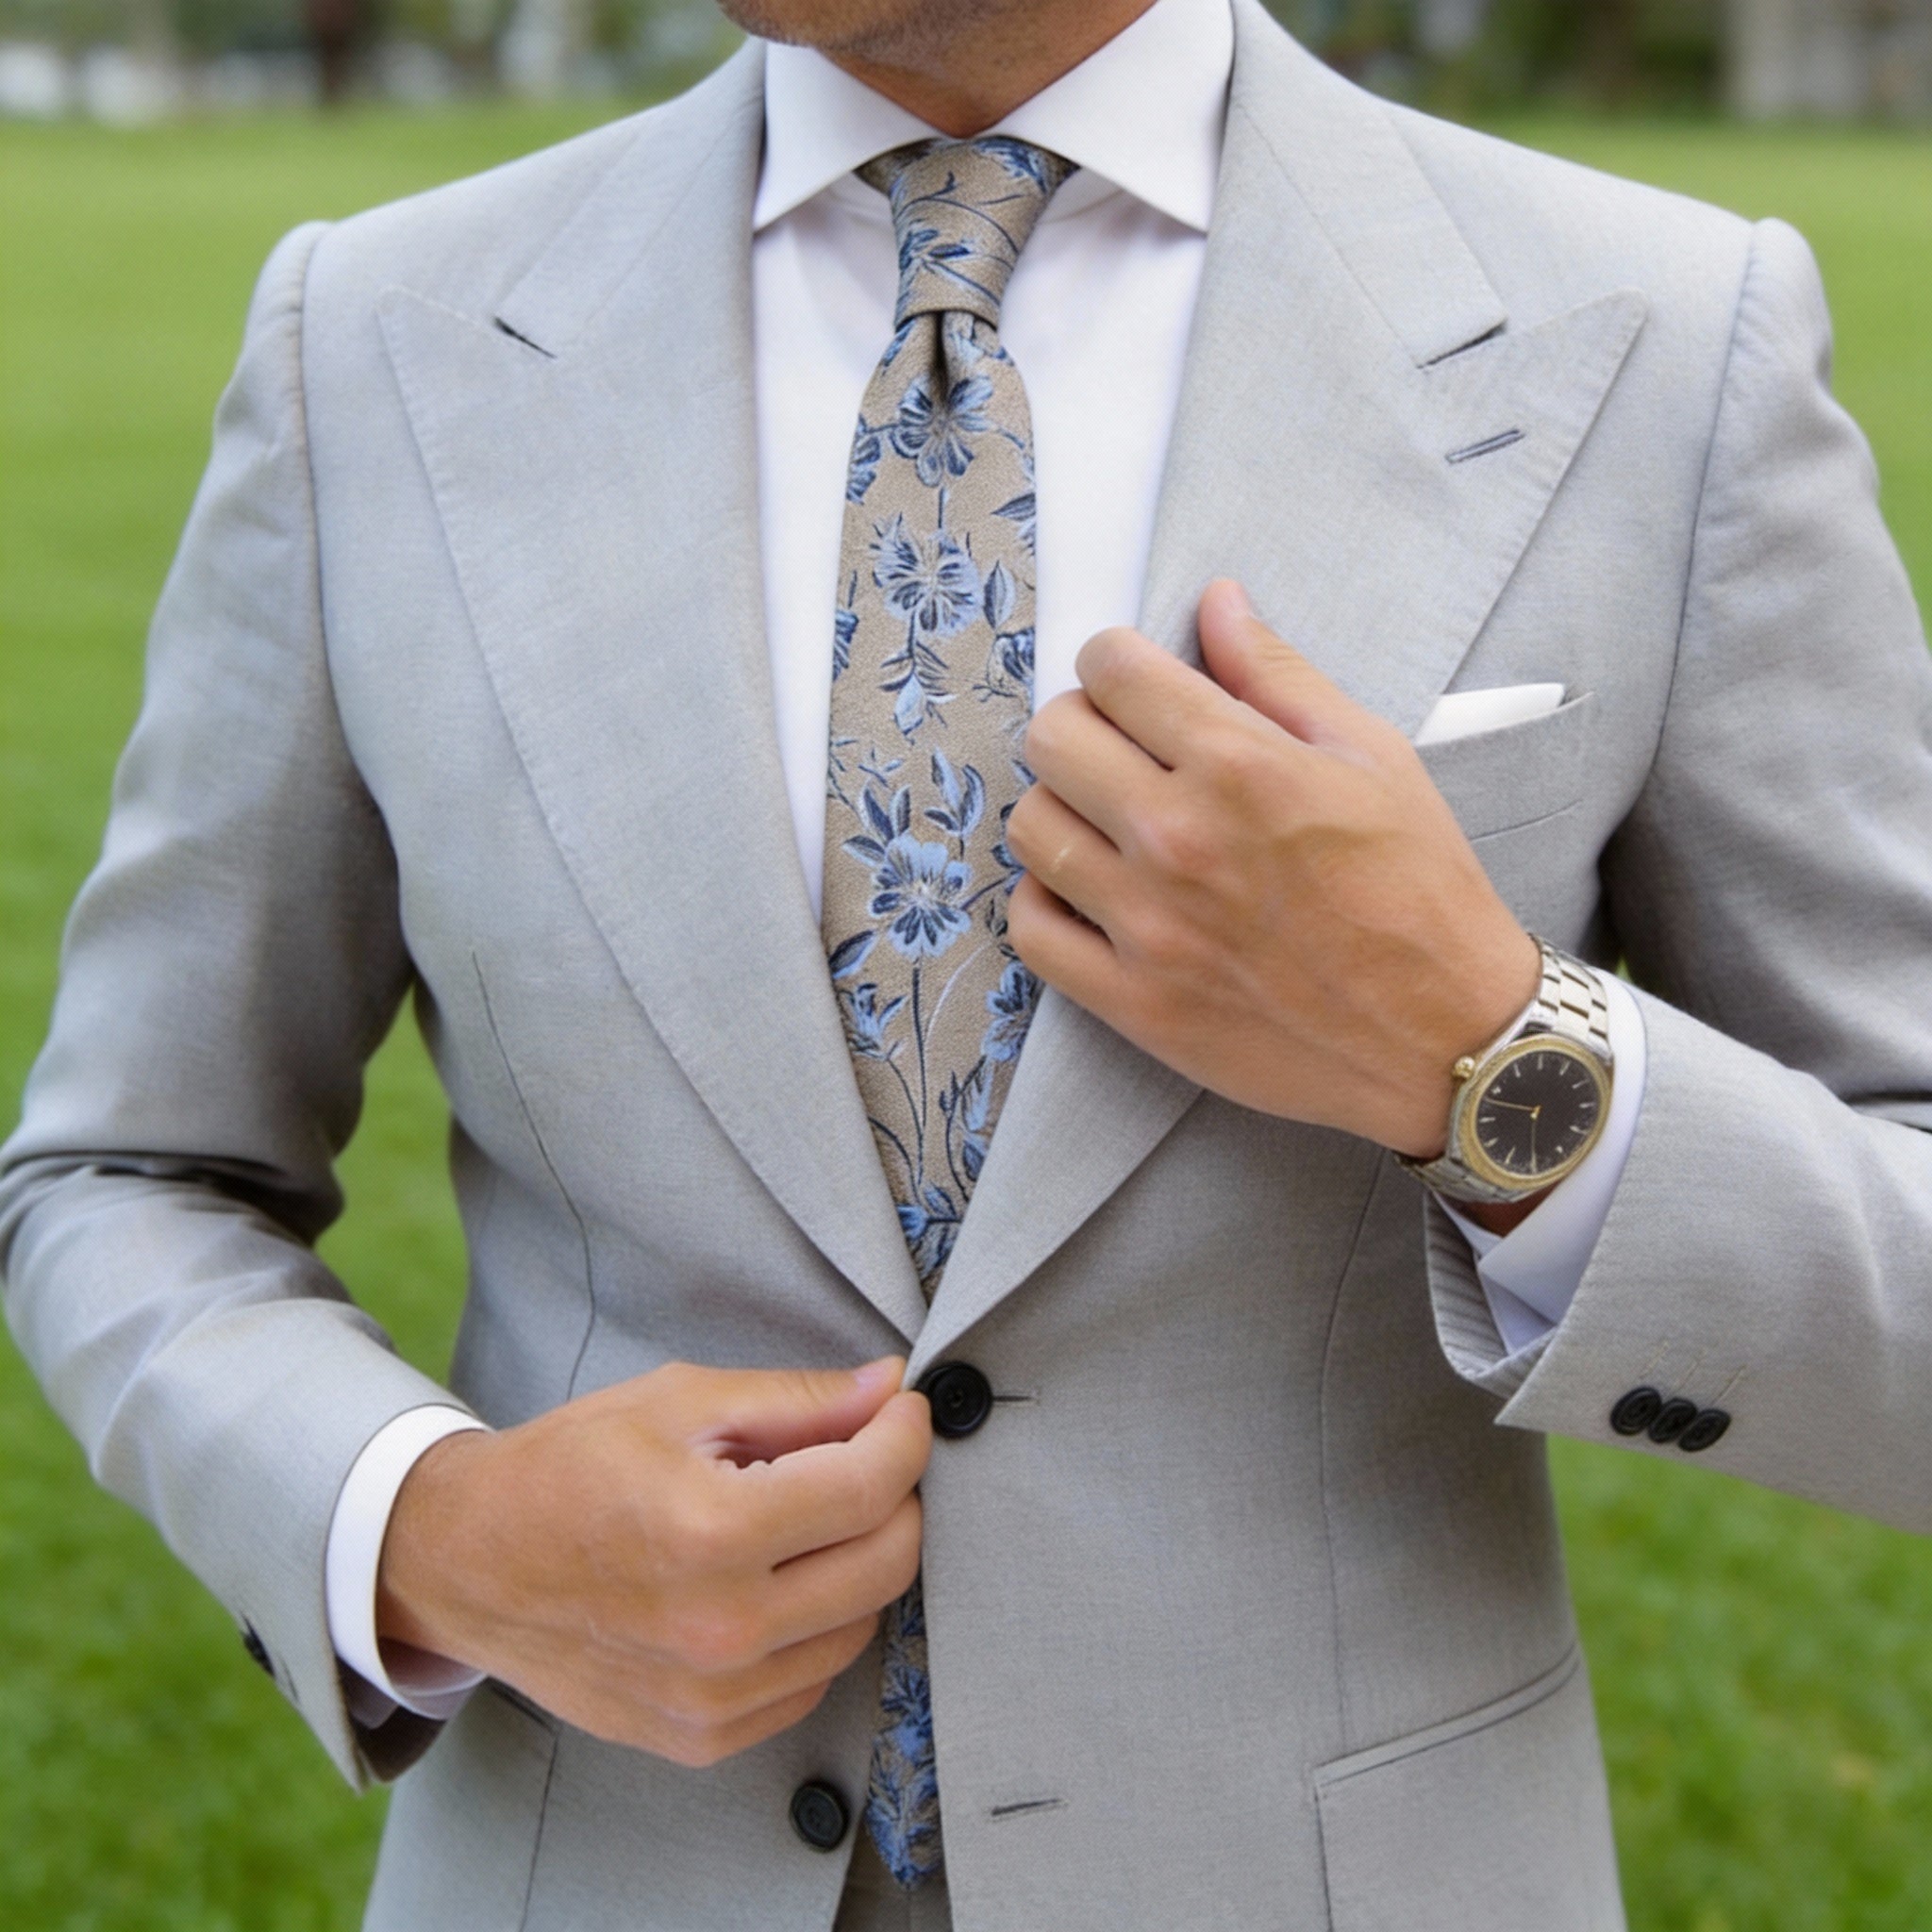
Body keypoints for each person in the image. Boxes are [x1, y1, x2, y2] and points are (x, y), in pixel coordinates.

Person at [5, 0, 1930, 1924]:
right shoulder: (370, 340)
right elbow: (125, 1171)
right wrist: (429, 1528)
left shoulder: (1667, 340)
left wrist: (1488, 1056)